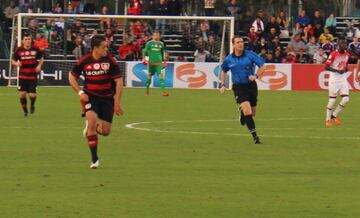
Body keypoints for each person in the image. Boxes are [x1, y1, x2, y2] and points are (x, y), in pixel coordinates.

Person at [69, 35, 124, 169]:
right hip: (91, 97)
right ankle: (94, 159)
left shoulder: (111, 61)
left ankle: (92, 129)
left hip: (107, 99)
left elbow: (119, 82)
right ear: (95, 48)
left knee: (105, 132)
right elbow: (72, 76)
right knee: (92, 121)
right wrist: (81, 93)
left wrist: (117, 103)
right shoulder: (85, 60)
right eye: (103, 47)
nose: (106, 49)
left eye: (107, 46)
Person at [220, 36, 265, 144]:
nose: (240, 44)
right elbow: (223, 71)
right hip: (238, 87)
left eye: (242, 42)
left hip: (251, 86)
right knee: (248, 111)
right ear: (233, 44)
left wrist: (256, 76)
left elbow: (262, 66)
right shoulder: (229, 59)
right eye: (238, 42)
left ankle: (242, 112)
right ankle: (255, 137)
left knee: (252, 113)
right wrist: (222, 84)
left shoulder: (250, 55)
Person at [12, 33, 44, 116]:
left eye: (29, 39)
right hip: (22, 75)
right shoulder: (19, 50)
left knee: (32, 95)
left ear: (31, 40)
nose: (27, 41)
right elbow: (13, 60)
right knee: (22, 94)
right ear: (23, 41)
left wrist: (40, 65)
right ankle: (25, 111)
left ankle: (32, 104)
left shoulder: (35, 49)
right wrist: (16, 64)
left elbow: (41, 58)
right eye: (26, 39)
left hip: (32, 75)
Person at [324, 37, 350, 127]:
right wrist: (337, 71)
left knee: (346, 99)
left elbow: (346, 66)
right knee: (332, 100)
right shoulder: (333, 54)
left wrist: (345, 69)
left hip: (343, 78)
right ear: (339, 45)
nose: (345, 45)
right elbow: (326, 67)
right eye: (343, 44)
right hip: (334, 79)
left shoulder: (347, 54)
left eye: (345, 44)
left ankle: (334, 115)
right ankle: (327, 120)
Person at [143, 31, 168, 96]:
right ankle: (147, 91)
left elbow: (163, 53)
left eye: (158, 35)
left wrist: (164, 61)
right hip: (151, 63)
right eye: (155, 35)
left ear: (159, 36)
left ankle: (164, 92)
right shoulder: (149, 43)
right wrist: (145, 59)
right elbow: (145, 51)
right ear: (152, 36)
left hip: (159, 64)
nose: (156, 36)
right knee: (149, 78)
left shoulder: (161, 44)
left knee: (161, 77)